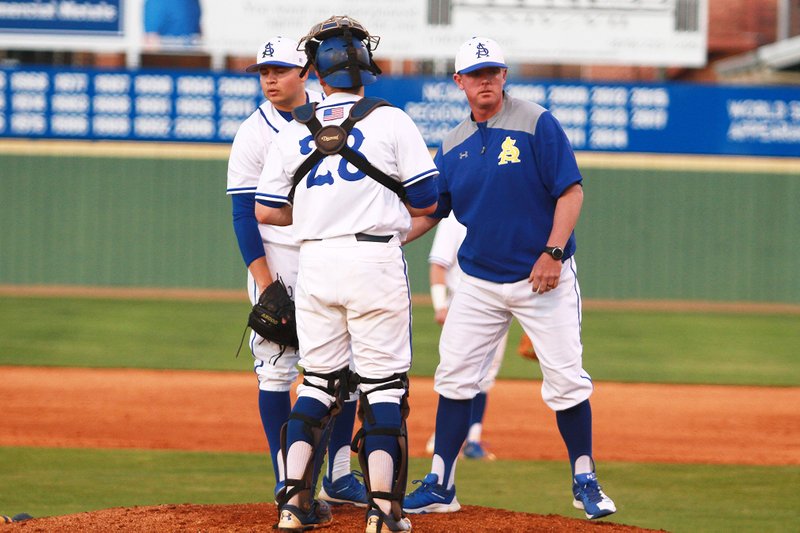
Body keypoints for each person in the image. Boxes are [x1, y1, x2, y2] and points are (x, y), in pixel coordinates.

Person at [402, 37, 616, 520]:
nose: (485, 81)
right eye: (475, 74)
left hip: (542, 277)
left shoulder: (537, 122)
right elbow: (434, 210)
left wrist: (553, 252)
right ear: (459, 82)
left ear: (504, 76)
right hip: (478, 280)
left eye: (492, 72)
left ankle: (585, 480)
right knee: (454, 378)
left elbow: (571, 192)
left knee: (565, 382)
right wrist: (384, 240)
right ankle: (441, 483)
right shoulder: (453, 143)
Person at [255, 15, 438, 532]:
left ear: (315, 71)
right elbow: (426, 199)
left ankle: (292, 507)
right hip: (373, 260)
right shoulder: (391, 119)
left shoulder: (293, 130)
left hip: (315, 262)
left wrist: (318, 214)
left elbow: (266, 211)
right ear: (365, 66)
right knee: (383, 388)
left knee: (315, 384)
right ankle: (383, 514)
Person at [226, 35, 366, 510]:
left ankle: (340, 475)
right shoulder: (253, 132)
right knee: (277, 370)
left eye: (280, 70)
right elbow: (245, 214)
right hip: (279, 260)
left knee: (342, 367)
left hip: (329, 253)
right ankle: (288, 479)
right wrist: (265, 282)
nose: (269, 78)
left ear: (305, 72)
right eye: (263, 71)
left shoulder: (336, 115)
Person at [426, 214, 507, 461]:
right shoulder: (452, 218)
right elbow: (438, 266)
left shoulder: (503, 213)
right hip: (462, 304)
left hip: (499, 304)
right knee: (457, 373)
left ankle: (472, 440)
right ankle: (442, 437)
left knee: (487, 373)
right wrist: (440, 305)